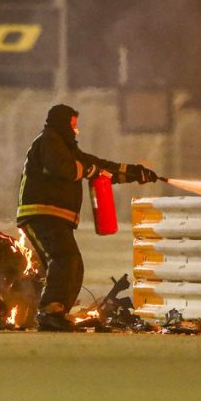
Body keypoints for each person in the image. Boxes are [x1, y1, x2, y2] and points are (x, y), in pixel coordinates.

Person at [16, 103, 158, 331]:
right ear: (62, 123)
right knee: (63, 258)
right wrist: (88, 170)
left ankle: (58, 311)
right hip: (41, 214)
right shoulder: (48, 141)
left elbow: (99, 167)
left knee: (74, 263)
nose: (76, 131)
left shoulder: (64, 147)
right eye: (73, 125)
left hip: (55, 217)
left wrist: (134, 172)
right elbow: (62, 168)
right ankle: (49, 311)